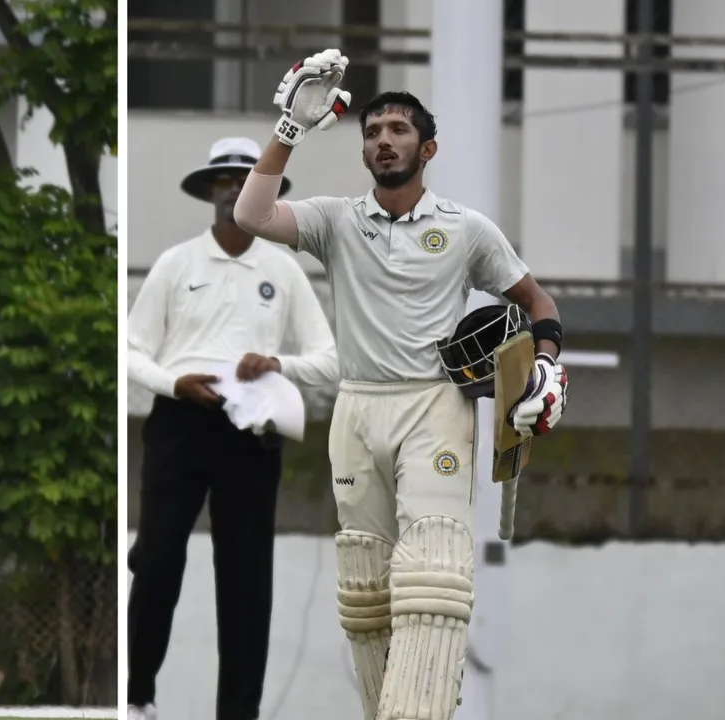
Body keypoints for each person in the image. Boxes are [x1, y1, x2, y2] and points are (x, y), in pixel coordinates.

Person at [233, 50, 570, 720]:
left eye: (398, 129)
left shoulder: (466, 229)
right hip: (356, 411)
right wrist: (289, 128)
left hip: (434, 406)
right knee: (366, 590)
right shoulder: (336, 221)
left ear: (428, 147)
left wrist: (547, 365)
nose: (383, 139)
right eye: (373, 130)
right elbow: (250, 216)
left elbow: (537, 300)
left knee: (431, 578)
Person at [126, 136, 339, 720]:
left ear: (260, 190)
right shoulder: (177, 263)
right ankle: (137, 695)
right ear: (210, 192)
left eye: (244, 179)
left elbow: (328, 359)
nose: (233, 189)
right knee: (157, 558)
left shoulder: (283, 269)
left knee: (246, 577)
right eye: (223, 180)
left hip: (252, 428)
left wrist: (277, 364)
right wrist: (175, 383)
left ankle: (238, 713)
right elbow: (130, 349)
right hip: (180, 420)